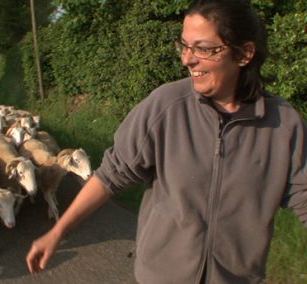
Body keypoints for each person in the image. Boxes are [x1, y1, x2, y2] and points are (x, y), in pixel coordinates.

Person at [26, 0, 307, 283]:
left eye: (203, 48)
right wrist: (58, 232)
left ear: (244, 53)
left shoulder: (283, 126)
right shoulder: (166, 107)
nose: (187, 59)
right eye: (184, 45)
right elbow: (111, 175)